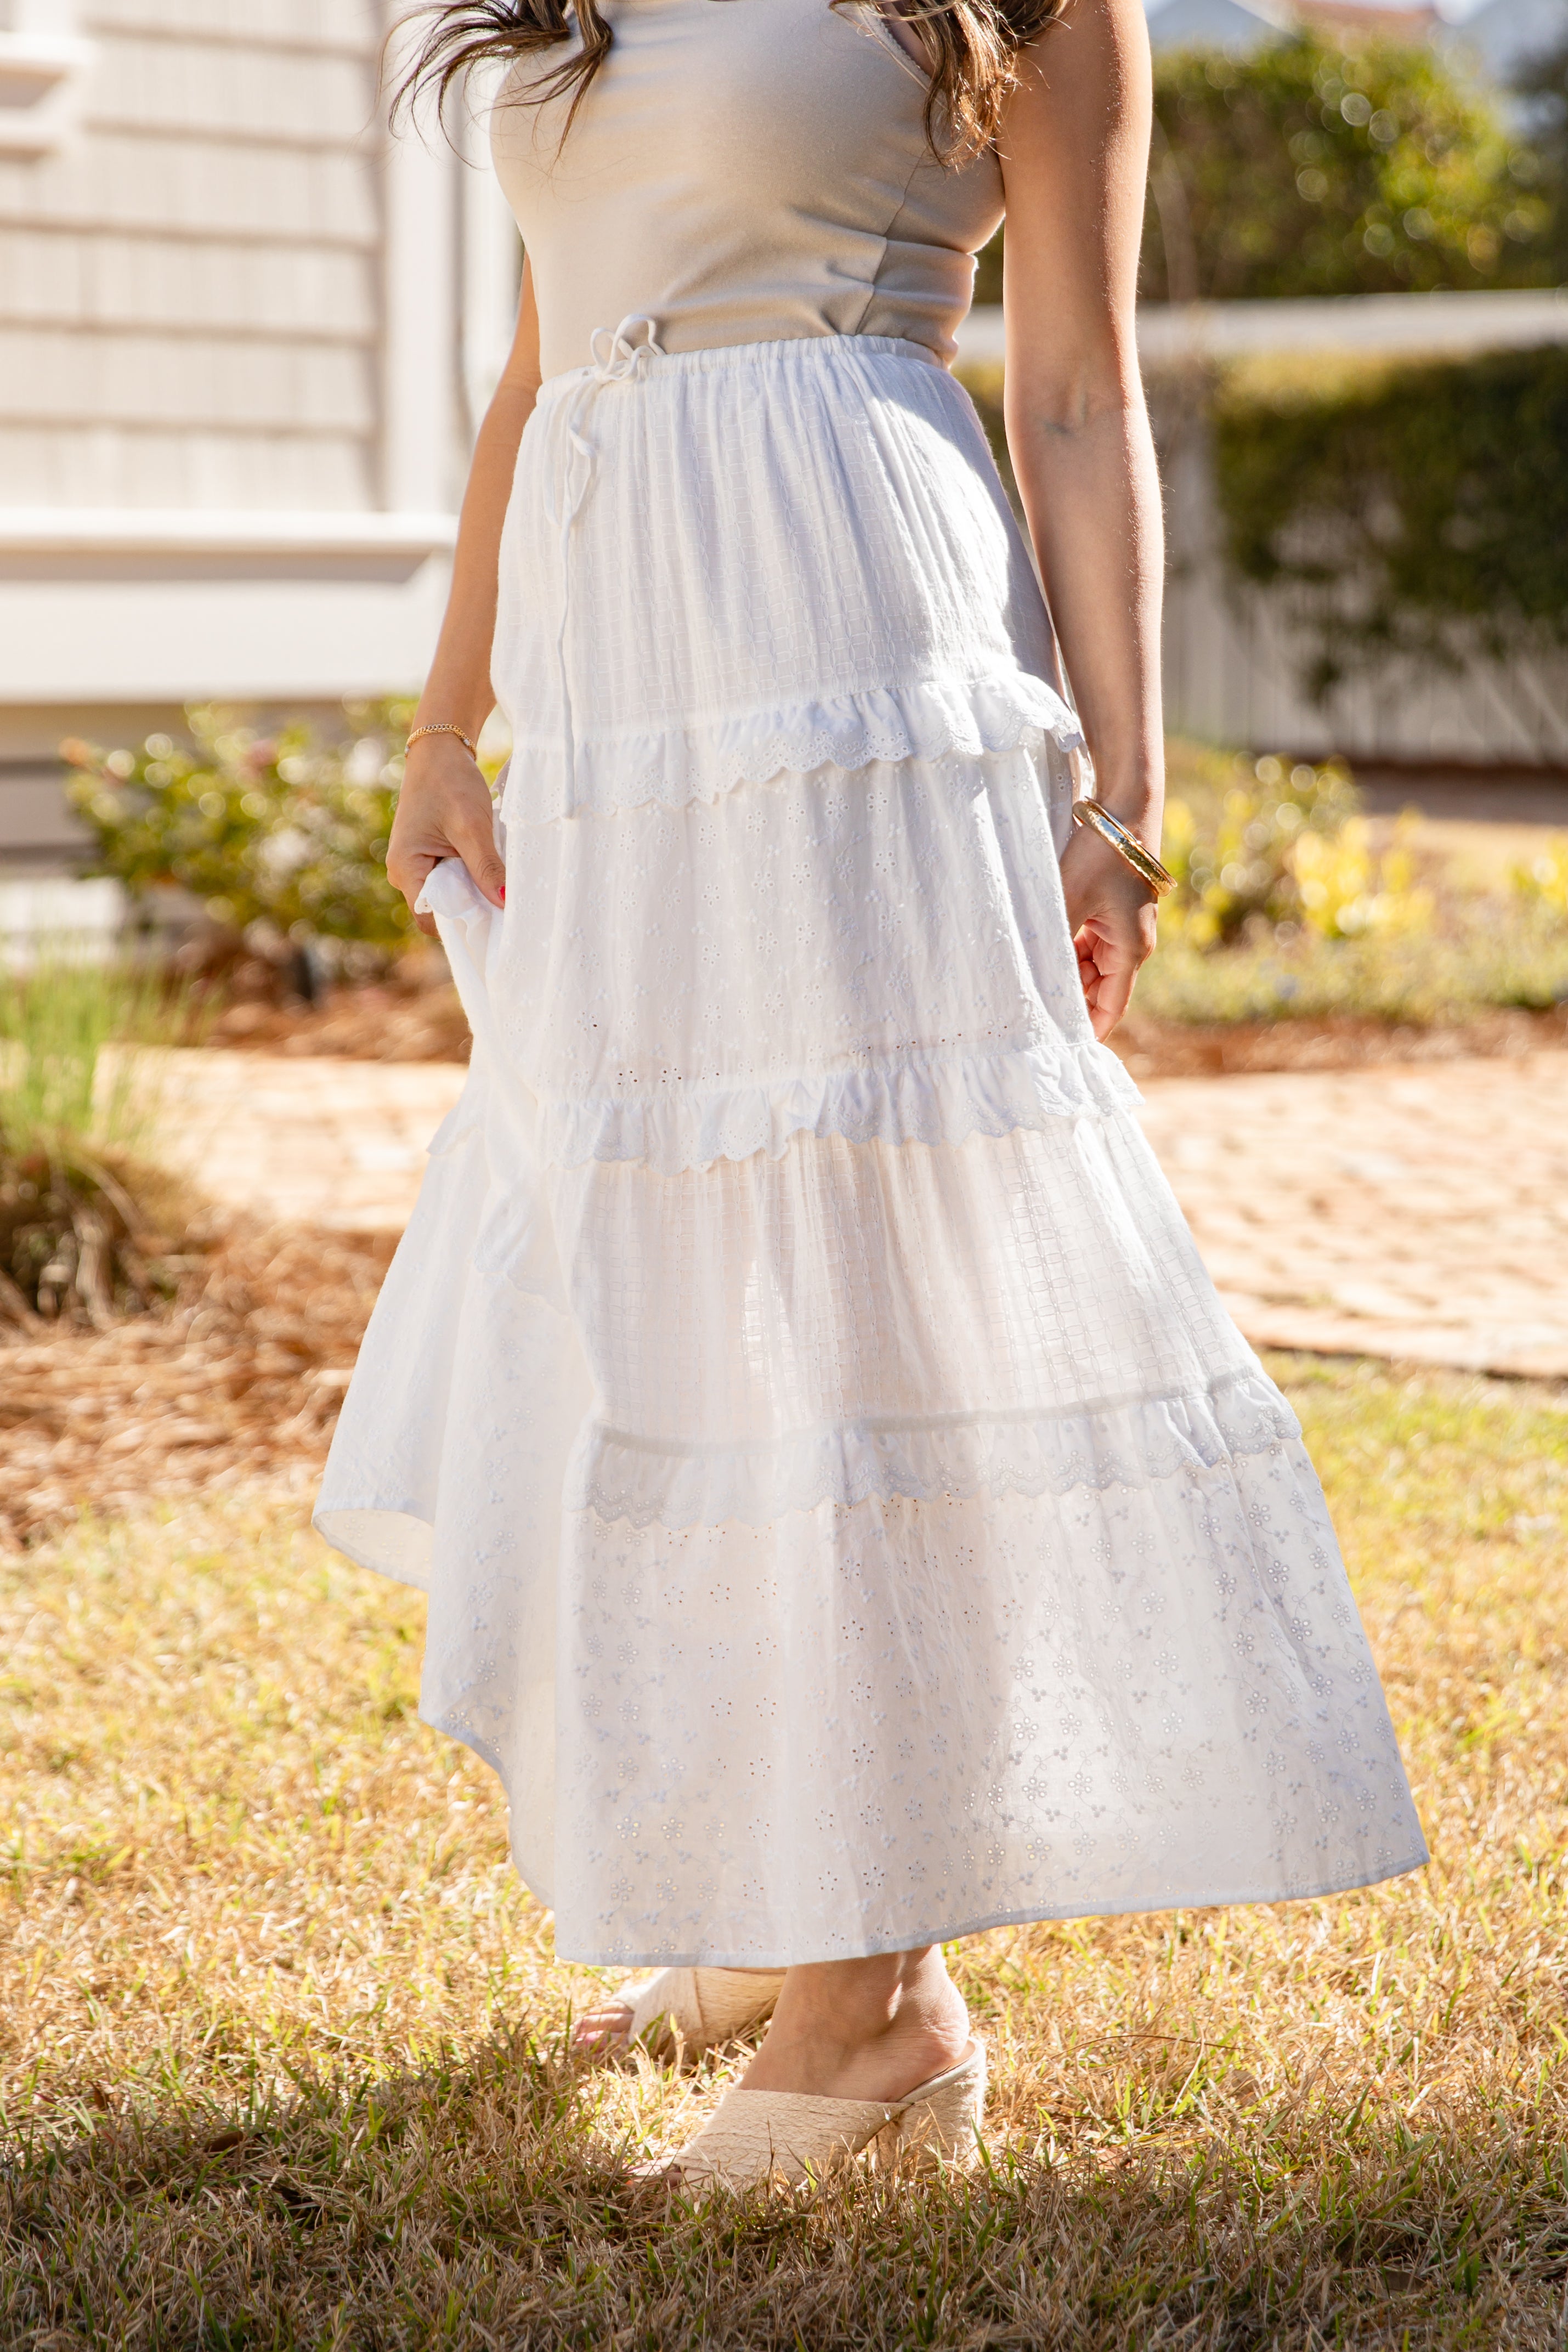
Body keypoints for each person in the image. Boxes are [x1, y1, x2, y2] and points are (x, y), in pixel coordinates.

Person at [315, 0, 1427, 2189]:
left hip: (844, 622)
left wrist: (1125, 789)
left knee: (839, 1279)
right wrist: (446, 717)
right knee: (676, 1265)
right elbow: (546, 357)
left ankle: (875, 2004)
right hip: (623, 656)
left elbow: (1082, 393)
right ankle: (771, 1888)